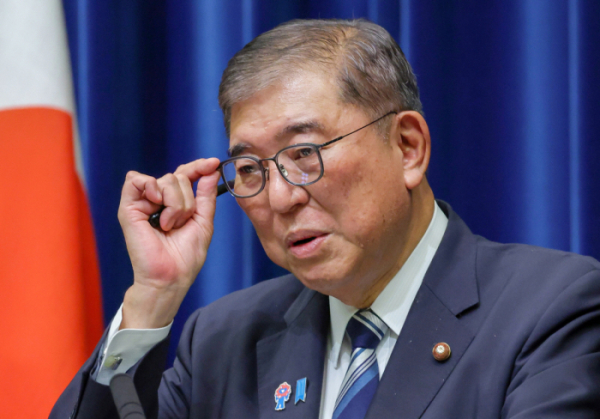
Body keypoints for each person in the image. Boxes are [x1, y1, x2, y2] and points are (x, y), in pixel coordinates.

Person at [51, 19, 600, 419]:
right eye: (250, 169)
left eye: (304, 154)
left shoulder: (551, 309)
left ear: (407, 147)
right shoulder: (223, 341)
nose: (280, 198)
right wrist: (153, 297)